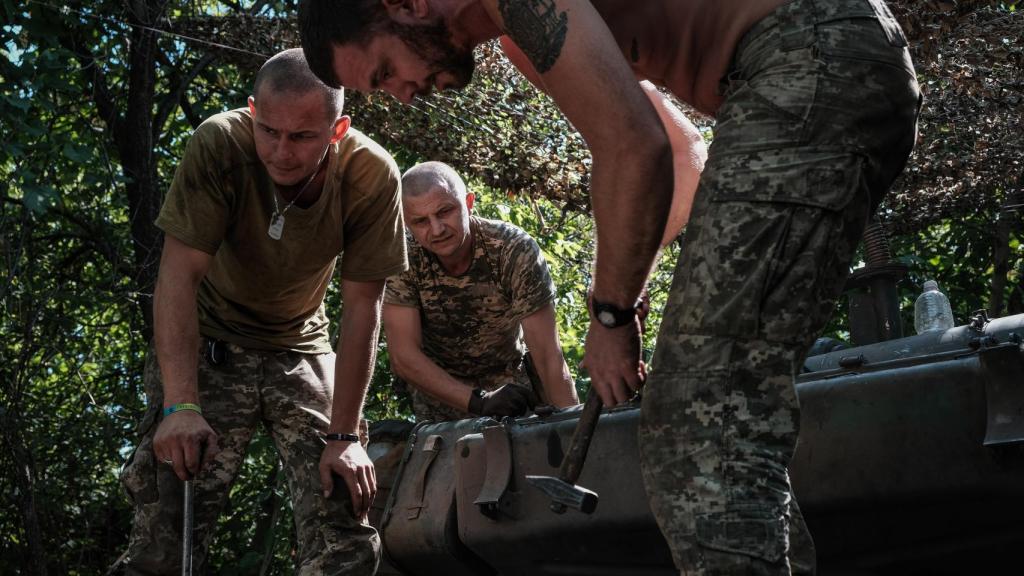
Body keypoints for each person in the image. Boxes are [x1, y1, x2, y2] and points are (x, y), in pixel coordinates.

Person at [298, 1, 921, 574]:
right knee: (726, 413)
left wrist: (612, 315)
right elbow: (683, 152)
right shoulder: (522, 39)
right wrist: (630, 282)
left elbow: (634, 148)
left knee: (695, 419)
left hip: (807, 58)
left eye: (383, 72)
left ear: (405, 4)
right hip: (810, 73)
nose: (402, 96)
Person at [119, 48, 407, 575]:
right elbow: (178, 276)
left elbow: (363, 307)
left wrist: (344, 436)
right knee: (165, 534)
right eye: (268, 130)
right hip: (209, 338)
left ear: (337, 130)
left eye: (303, 137)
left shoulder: (371, 176)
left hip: (301, 345)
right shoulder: (220, 144)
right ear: (252, 111)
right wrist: (179, 405)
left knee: (344, 522)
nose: (281, 152)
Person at [384, 161, 579, 422]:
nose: (437, 229)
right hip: (440, 401)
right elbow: (404, 356)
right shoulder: (401, 257)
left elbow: (548, 357)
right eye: (421, 221)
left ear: (468, 203)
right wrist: (479, 402)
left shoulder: (512, 250)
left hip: (514, 396)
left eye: (445, 211)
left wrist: (573, 430)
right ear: (405, 222)